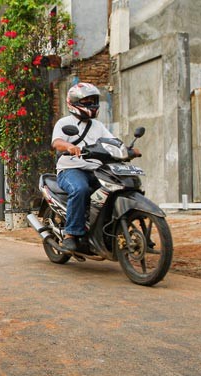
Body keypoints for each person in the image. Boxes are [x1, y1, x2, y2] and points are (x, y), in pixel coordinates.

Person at [51, 82, 138, 251]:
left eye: (93, 101)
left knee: (117, 188)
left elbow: (112, 142)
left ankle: (110, 229)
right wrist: (69, 147)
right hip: (71, 169)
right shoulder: (64, 122)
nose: (91, 105)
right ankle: (71, 233)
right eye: (87, 101)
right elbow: (57, 142)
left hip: (96, 169)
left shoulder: (98, 126)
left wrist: (128, 150)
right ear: (74, 103)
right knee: (80, 189)